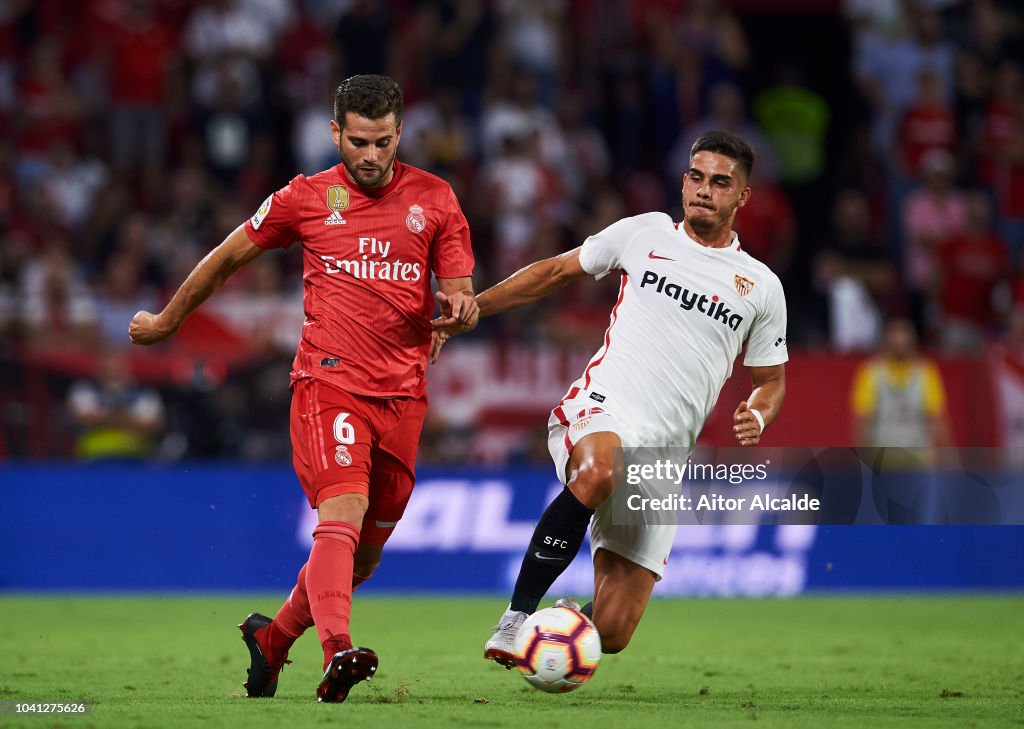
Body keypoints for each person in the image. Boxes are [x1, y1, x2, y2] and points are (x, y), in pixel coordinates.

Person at [129, 75, 478, 702]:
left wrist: (458, 310)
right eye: (359, 142)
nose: (371, 156)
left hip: (402, 396)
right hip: (328, 383)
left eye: (383, 142)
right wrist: (167, 321)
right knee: (339, 515)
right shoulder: (305, 197)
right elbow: (228, 256)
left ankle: (272, 641)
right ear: (335, 133)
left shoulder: (438, 199)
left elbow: (460, 290)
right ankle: (337, 653)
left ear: (400, 133)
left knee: (363, 558)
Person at [435, 131, 788, 661]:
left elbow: (771, 380)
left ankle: (563, 624)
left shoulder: (760, 286)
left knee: (614, 633)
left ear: (742, 197)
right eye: (696, 176)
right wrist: (474, 310)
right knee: (600, 469)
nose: (703, 190)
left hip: (661, 462)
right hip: (602, 409)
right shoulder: (644, 233)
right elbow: (553, 272)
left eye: (721, 182)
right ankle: (516, 618)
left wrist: (758, 416)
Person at [850, 318, 950, 448]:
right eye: (894, 342)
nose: (899, 345)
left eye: (902, 342)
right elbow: (861, 419)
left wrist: (947, 458)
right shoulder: (871, 372)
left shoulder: (926, 372)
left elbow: (937, 418)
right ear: (885, 344)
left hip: (917, 454)